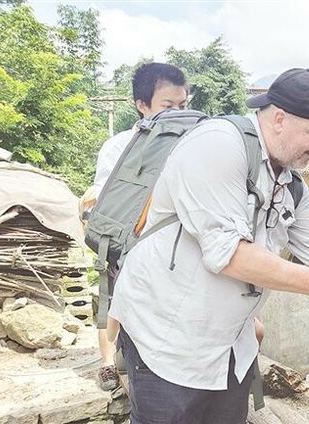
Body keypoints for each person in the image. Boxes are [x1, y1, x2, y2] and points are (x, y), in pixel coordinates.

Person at [107, 68, 309, 424]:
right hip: (168, 340)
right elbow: (227, 254)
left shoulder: (289, 181)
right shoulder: (216, 145)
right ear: (280, 119)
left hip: (228, 348)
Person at [80, 62, 190, 391]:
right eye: (168, 106)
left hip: (169, 246)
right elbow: (103, 196)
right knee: (112, 301)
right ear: (142, 106)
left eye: (183, 105)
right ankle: (107, 364)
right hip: (124, 241)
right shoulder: (120, 147)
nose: (177, 113)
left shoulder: (190, 144)